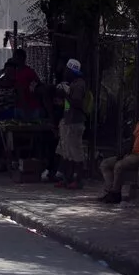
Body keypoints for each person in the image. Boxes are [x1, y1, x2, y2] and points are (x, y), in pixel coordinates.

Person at [99, 100, 139, 204]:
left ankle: (116, 194)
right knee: (105, 164)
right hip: (133, 154)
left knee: (119, 165)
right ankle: (110, 191)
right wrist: (124, 152)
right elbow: (133, 140)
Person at [55, 59, 88, 189]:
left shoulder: (79, 85)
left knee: (76, 152)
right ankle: (67, 178)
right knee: (67, 152)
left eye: (67, 70)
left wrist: (65, 94)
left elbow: (77, 103)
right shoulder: (72, 84)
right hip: (69, 120)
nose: (65, 72)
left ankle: (78, 179)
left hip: (75, 122)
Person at [13, 48, 43, 119]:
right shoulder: (13, 72)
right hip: (18, 107)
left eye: (16, 57)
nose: (14, 59)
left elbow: (38, 85)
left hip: (31, 107)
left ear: (22, 58)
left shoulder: (29, 72)